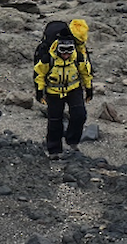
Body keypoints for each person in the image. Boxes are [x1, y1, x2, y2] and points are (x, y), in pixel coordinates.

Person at [34, 28, 93, 159]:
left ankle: (72, 141)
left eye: (69, 50)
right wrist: (39, 91)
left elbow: (85, 72)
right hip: (53, 92)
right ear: (57, 48)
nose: (66, 54)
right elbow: (39, 74)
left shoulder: (78, 57)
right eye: (62, 50)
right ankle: (54, 150)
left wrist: (89, 88)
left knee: (80, 115)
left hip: (74, 89)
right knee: (55, 121)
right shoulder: (48, 59)